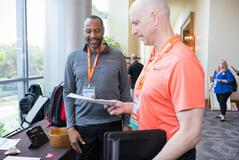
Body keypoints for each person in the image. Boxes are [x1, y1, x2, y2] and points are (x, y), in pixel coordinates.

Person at [106, 0, 205, 159]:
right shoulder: (154, 56)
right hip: (149, 147)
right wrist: (127, 107)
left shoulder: (182, 60)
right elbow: (159, 105)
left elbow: (190, 133)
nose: (133, 31)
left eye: (136, 23)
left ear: (154, 18)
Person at [63, 15, 131, 160]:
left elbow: (125, 91)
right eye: (88, 31)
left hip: (113, 123)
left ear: (103, 31)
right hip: (84, 127)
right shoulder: (72, 58)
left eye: (97, 31)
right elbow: (68, 93)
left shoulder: (118, 56)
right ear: (84, 32)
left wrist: (126, 124)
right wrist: (70, 128)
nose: (92, 35)